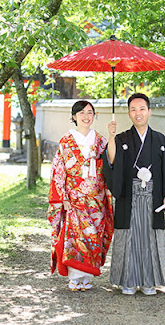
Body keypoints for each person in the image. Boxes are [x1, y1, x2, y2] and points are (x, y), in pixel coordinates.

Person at [104, 93, 165, 295]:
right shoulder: (122, 138)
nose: (138, 113)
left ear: (149, 111)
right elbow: (111, 161)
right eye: (133, 109)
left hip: (153, 197)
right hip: (129, 196)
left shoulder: (160, 140)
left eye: (142, 109)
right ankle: (129, 282)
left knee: (150, 238)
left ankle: (149, 282)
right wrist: (112, 137)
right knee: (130, 237)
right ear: (129, 114)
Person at [48, 100, 114, 291]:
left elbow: (111, 162)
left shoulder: (101, 140)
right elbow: (58, 171)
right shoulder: (66, 141)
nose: (86, 116)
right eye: (82, 112)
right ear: (74, 116)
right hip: (74, 197)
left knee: (93, 235)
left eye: (90, 112)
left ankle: (87, 276)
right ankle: (75, 277)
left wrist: (112, 136)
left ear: (94, 116)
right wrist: (63, 198)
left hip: (96, 196)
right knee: (75, 237)